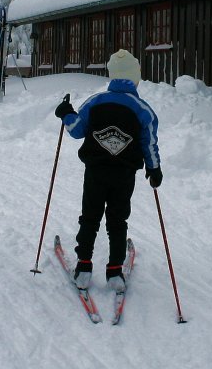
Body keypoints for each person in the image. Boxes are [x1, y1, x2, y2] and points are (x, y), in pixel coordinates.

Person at [54, 49, 161, 292]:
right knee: (117, 219)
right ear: (135, 78)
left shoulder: (95, 102)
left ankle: (83, 268)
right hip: (124, 175)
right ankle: (114, 272)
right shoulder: (142, 109)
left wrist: (66, 113)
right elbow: (149, 143)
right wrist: (154, 169)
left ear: (112, 76)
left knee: (90, 217)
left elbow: (76, 129)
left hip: (95, 171)